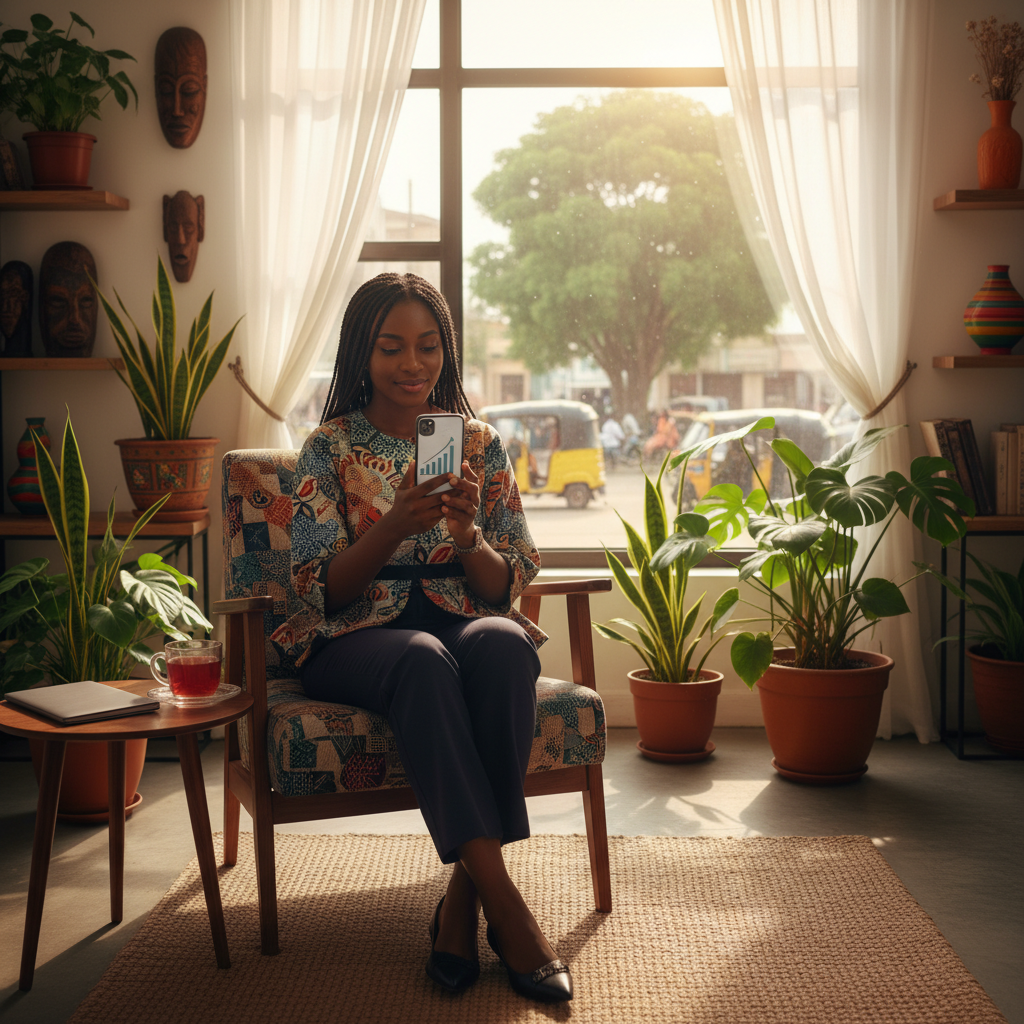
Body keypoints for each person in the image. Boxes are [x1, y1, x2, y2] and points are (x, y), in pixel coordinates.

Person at [280, 272, 573, 1003]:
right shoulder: (328, 447)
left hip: (459, 617)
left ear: (447, 350)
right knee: (422, 659)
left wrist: (466, 534)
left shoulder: (477, 443)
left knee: (504, 643)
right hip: (357, 637)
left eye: (428, 346)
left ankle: (462, 904)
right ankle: (507, 909)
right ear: (361, 354)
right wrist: (392, 527)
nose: (412, 364)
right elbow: (319, 587)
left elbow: (509, 580)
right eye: (391, 348)